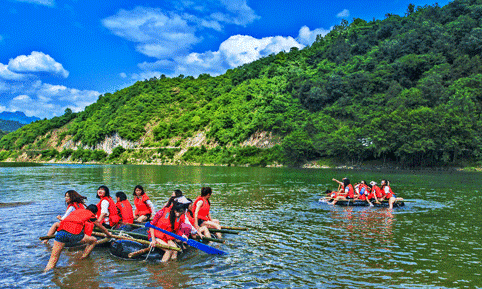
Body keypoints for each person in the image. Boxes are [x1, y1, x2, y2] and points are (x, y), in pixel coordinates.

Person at [44, 204, 113, 271]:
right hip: (74, 234)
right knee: (93, 240)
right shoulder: (91, 214)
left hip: (60, 232)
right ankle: (82, 258)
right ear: (95, 213)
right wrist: (108, 234)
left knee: (53, 259)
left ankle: (46, 273)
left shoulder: (77, 211)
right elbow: (101, 227)